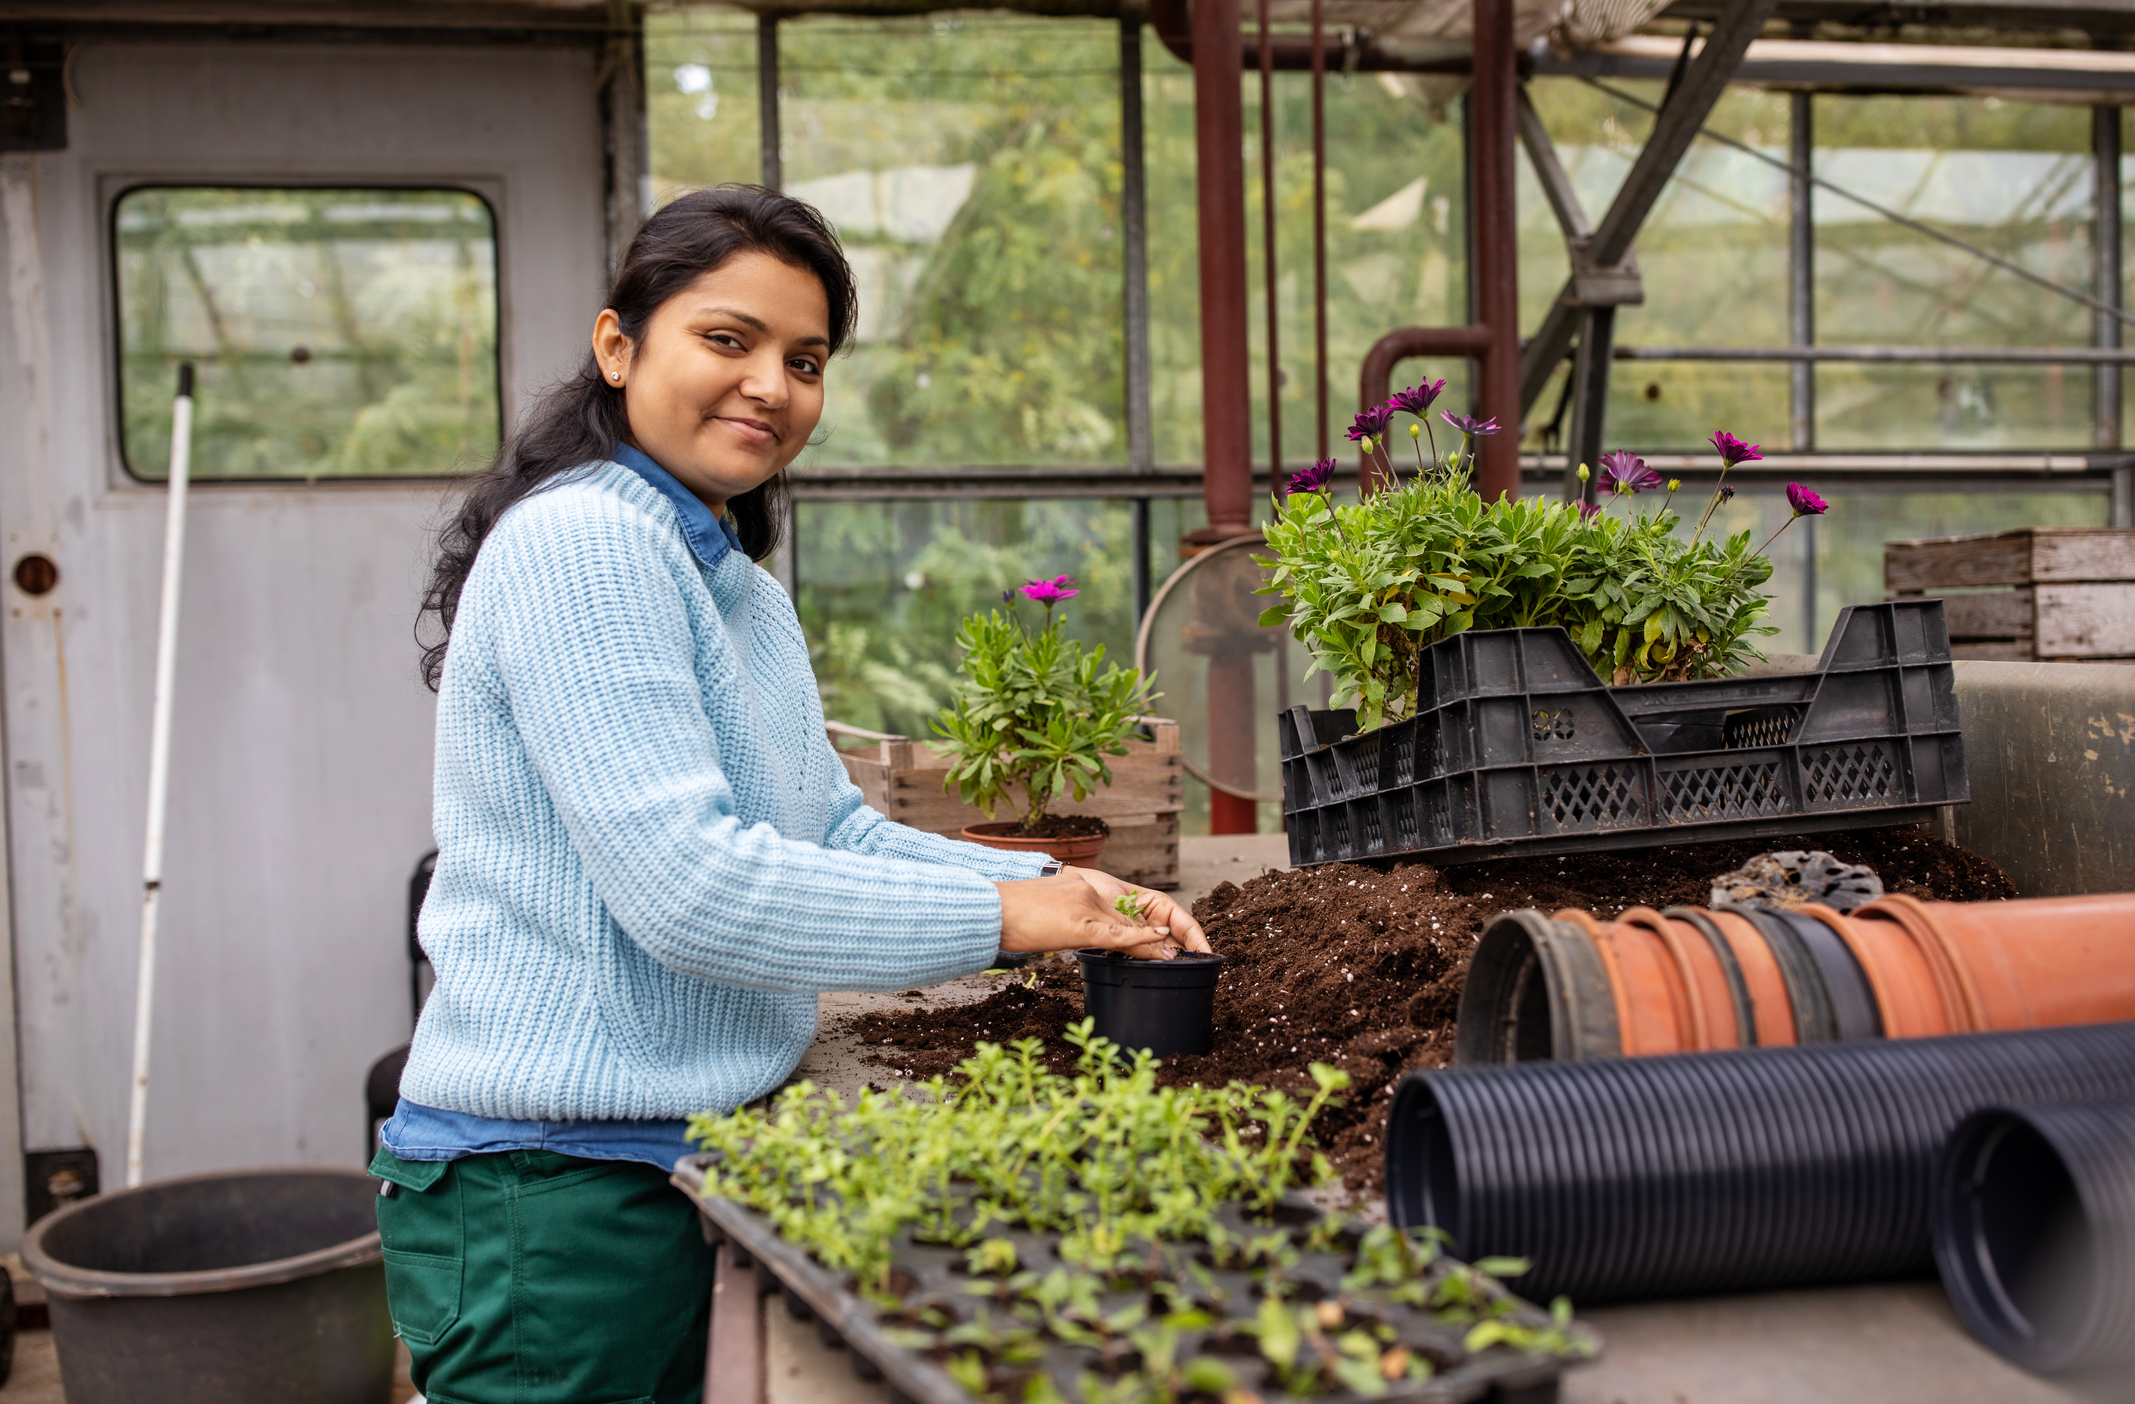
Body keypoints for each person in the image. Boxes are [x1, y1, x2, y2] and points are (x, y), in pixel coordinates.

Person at [370, 185, 1209, 1404]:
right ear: (618, 347)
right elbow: (691, 892)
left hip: (663, 1168)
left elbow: (826, 829)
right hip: (550, 1198)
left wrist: (1053, 883)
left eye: (803, 359)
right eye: (728, 339)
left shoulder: (733, 587)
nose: (770, 384)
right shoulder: (586, 544)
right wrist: (1011, 921)